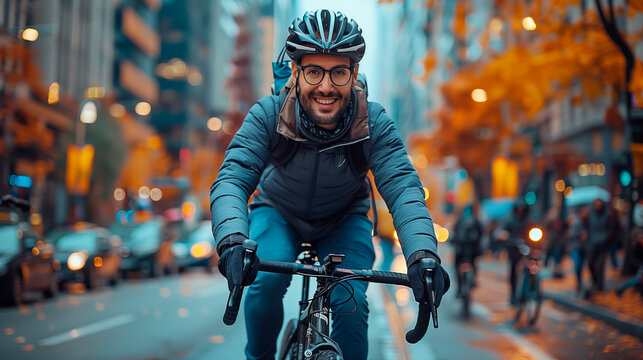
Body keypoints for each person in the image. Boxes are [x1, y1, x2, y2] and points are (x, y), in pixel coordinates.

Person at [210, 9, 450, 360]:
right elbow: (232, 178)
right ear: (295, 72)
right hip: (278, 212)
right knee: (264, 285)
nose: (326, 86)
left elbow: (403, 189)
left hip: (343, 219)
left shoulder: (374, 122)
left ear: (353, 74)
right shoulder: (268, 114)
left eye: (338, 72)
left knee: (351, 304)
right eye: (314, 71)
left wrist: (422, 254)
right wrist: (231, 240)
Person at [584, 198, 618, 298]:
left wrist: (608, 236)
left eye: (600, 204)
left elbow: (613, 227)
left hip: (603, 243)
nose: (598, 206)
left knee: (600, 266)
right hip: (592, 243)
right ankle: (595, 282)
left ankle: (600, 286)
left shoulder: (608, 214)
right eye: (596, 204)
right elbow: (586, 226)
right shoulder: (590, 214)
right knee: (590, 263)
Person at [499, 201, 531, 304]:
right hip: (513, 247)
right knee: (513, 269)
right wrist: (503, 235)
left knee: (531, 265)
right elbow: (502, 230)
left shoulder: (528, 219)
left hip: (527, 246)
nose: (520, 212)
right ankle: (513, 293)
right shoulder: (509, 219)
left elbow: (536, 228)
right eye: (519, 209)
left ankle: (530, 290)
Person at [452, 205, 483, 297]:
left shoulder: (460, 221)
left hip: (462, 250)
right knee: (474, 264)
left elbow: (455, 234)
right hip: (473, 251)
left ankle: (459, 288)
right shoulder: (476, 221)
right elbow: (482, 235)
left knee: (457, 267)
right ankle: (472, 280)